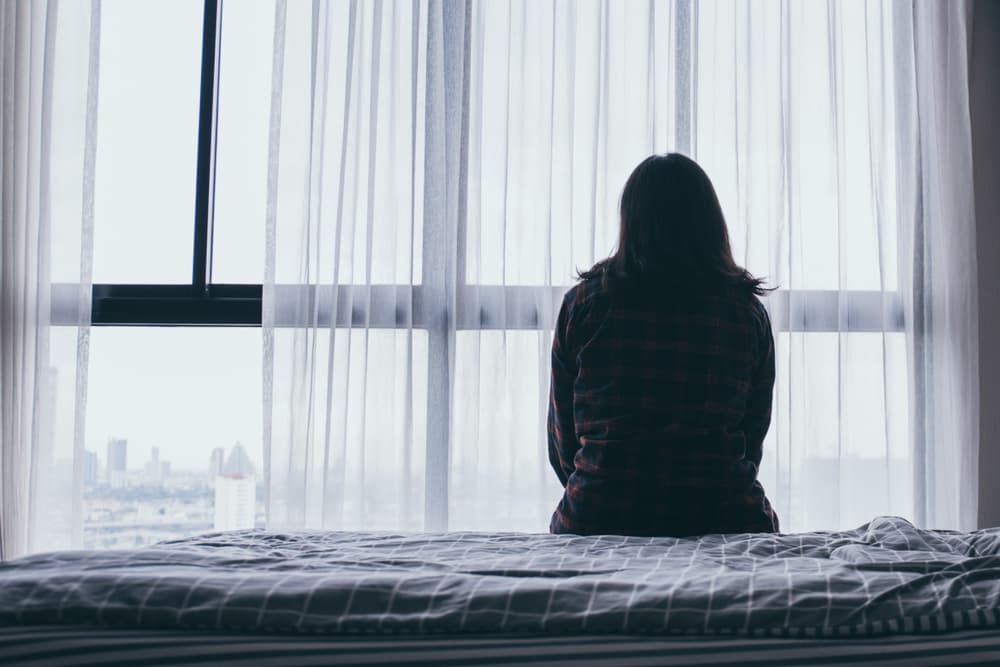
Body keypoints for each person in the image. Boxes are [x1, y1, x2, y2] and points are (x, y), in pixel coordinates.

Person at [547, 153, 779, 537]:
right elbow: (752, 435)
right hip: (726, 515)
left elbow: (563, 443)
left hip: (597, 513)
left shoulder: (583, 305)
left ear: (630, 221)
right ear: (711, 223)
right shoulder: (745, 312)